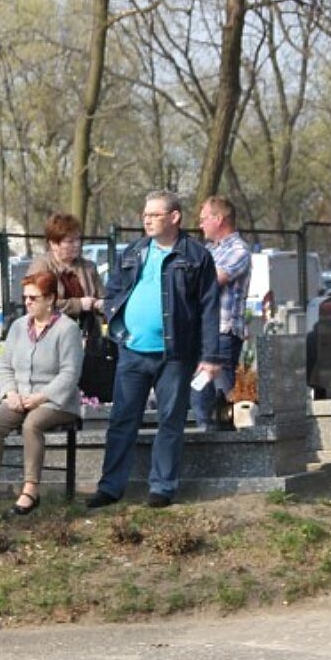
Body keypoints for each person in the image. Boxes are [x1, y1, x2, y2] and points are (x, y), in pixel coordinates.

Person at [86, 190, 221, 510]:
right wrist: (117, 323)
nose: (147, 220)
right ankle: (110, 487)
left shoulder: (196, 256)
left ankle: (162, 487)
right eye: (145, 215)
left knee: (170, 421)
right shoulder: (133, 251)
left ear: (175, 217)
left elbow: (209, 307)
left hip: (175, 355)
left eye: (155, 215)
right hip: (132, 351)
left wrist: (210, 357)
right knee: (122, 420)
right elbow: (114, 291)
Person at [0, 271, 83, 513]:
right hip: (21, 397)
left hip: (57, 402)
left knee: (31, 425)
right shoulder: (18, 326)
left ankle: (31, 490)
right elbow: (5, 366)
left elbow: (69, 374)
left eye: (33, 298)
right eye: (25, 297)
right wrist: (10, 393)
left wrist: (40, 397)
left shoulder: (67, 329)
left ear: (50, 298)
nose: (27, 302)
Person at [193, 195, 251, 430]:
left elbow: (211, 281)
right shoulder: (209, 251)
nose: (200, 224)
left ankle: (228, 445)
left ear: (219, 219)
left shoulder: (239, 250)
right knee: (201, 398)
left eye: (204, 219)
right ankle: (210, 439)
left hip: (222, 336)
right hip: (204, 334)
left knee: (221, 401)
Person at [28, 212, 104, 320]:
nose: (77, 244)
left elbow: (103, 298)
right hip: (52, 328)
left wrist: (100, 304)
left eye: (78, 239)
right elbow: (38, 303)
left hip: (87, 328)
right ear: (53, 244)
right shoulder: (41, 267)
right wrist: (78, 305)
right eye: (70, 241)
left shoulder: (89, 267)